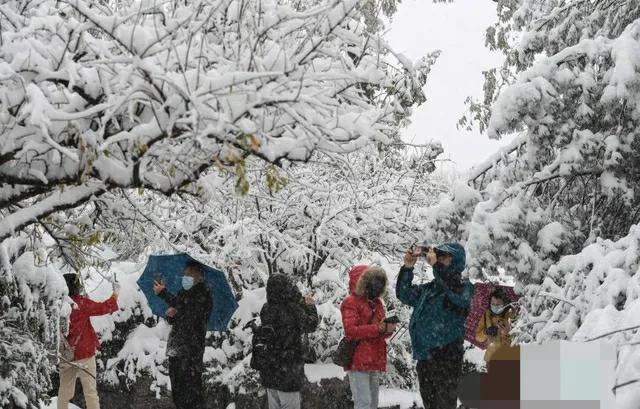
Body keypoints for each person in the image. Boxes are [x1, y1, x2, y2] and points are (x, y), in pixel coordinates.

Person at [396, 244, 473, 409]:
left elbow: (457, 292)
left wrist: (436, 266)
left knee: (444, 404)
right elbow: (404, 294)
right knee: (430, 404)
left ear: (456, 261)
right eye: (439, 255)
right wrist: (408, 267)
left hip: (447, 356)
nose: (439, 259)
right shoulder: (430, 288)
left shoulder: (463, 286)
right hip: (425, 356)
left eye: (445, 256)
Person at [153, 261, 212, 409]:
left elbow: (191, 312)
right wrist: (171, 315)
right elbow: (181, 315)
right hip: (177, 349)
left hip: (191, 352)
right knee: (178, 394)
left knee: (191, 394)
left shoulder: (202, 294)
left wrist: (164, 293)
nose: (185, 277)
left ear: (198, 276)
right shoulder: (183, 294)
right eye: (184, 274)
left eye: (188, 275)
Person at [257, 273, 319, 409]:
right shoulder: (292, 309)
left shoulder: (266, 309)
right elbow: (311, 324)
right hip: (288, 370)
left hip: (270, 370)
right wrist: (310, 306)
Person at [58, 273, 119, 409]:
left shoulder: (58, 304)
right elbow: (104, 307)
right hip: (84, 353)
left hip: (65, 354)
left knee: (64, 391)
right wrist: (115, 293)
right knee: (90, 392)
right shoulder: (80, 303)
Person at [341, 265, 395, 409]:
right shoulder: (350, 302)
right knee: (363, 403)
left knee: (373, 404)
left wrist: (388, 329)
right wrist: (377, 328)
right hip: (359, 360)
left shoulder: (377, 303)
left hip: (375, 359)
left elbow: (381, 329)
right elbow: (351, 331)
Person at [475, 288, 517, 363]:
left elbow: (517, 336)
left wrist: (505, 333)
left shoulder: (511, 314)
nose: (495, 306)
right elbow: (478, 337)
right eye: (493, 304)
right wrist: (486, 332)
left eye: (498, 304)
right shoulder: (486, 315)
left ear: (504, 304)